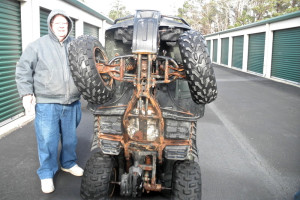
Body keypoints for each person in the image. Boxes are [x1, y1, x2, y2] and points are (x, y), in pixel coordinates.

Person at [15, 9, 83, 194]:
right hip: (47, 103)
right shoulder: (37, 46)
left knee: (70, 139)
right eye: (57, 23)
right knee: (47, 141)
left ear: (69, 25)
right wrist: (26, 93)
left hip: (72, 102)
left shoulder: (76, 45)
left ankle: (68, 163)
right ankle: (46, 173)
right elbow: (23, 70)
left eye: (65, 23)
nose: (62, 26)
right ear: (50, 25)